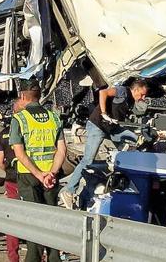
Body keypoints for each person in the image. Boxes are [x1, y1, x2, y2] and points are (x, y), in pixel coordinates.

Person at [60, 80, 149, 209]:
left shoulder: (130, 101)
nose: (143, 98)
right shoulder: (122, 91)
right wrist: (104, 113)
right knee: (87, 160)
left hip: (110, 128)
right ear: (135, 90)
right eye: (141, 95)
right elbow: (103, 92)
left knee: (131, 139)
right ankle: (69, 190)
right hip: (98, 126)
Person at [9, 78, 67, 262]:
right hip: (51, 176)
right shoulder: (54, 117)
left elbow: (19, 152)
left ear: (22, 96)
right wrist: (51, 173)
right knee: (51, 219)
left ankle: (33, 258)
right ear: (40, 96)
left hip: (29, 176)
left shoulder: (19, 119)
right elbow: (62, 150)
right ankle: (54, 257)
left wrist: (38, 174)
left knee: (33, 220)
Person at [0, 103, 21, 262]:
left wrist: (8, 171)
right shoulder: (28, 129)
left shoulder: (3, 134)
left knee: (13, 219)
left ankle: (13, 257)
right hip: (32, 178)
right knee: (37, 218)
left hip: (12, 180)